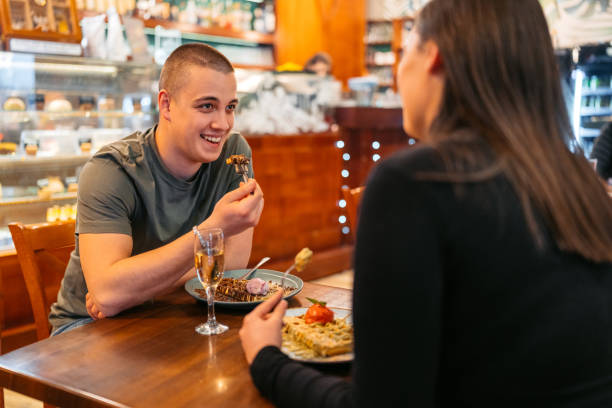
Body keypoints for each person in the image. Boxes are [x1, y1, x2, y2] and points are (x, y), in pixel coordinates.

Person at [239, 0, 612, 407]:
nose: (399, 72)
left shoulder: (414, 183)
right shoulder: (581, 184)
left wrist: (267, 359)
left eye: (405, 52)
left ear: (432, 55)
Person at [49, 43, 264, 335]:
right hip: (86, 326)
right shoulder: (111, 169)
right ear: (166, 105)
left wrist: (133, 290)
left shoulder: (233, 152)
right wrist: (212, 230)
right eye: (206, 106)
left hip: (171, 310)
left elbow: (234, 262)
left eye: (230, 107)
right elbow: (107, 296)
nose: (223, 123)